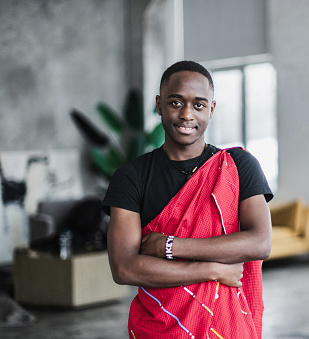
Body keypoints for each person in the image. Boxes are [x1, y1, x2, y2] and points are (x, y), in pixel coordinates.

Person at [102, 60, 273, 339]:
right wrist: (211, 270)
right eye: (176, 103)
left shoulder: (238, 166)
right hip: (160, 326)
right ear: (159, 105)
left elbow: (260, 243)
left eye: (199, 105)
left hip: (227, 326)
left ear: (212, 109)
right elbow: (123, 268)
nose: (187, 115)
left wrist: (169, 246)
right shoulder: (132, 176)